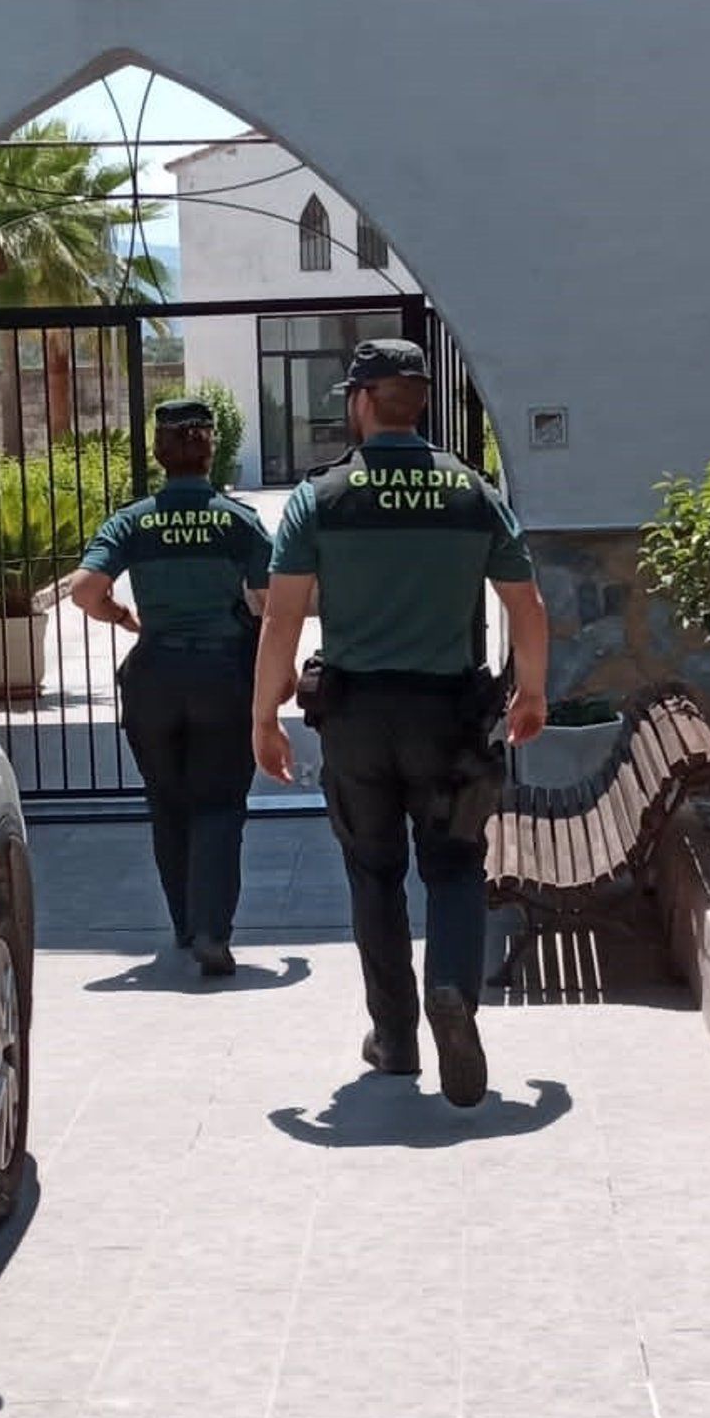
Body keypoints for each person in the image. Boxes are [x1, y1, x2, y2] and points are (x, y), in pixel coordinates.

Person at [251, 340, 548, 1106]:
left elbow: (283, 616)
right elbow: (526, 605)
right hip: (447, 715)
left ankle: (395, 1037)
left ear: (360, 400)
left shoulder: (321, 497)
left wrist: (265, 714)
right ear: (419, 403)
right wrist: (532, 694)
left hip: (355, 719)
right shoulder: (472, 493)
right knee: (453, 866)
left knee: (374, 875)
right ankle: (451, 989)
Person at [71, 399, 274, 977]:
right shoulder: (236, 520)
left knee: (167, 802)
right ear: (210, 450)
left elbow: (84, 589)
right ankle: (212, 929)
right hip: (222, 675)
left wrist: (120, 616)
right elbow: (270, 600)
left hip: (154, 675)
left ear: (159, 453)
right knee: (219, 803)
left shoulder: (133, 521)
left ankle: (184, 922)